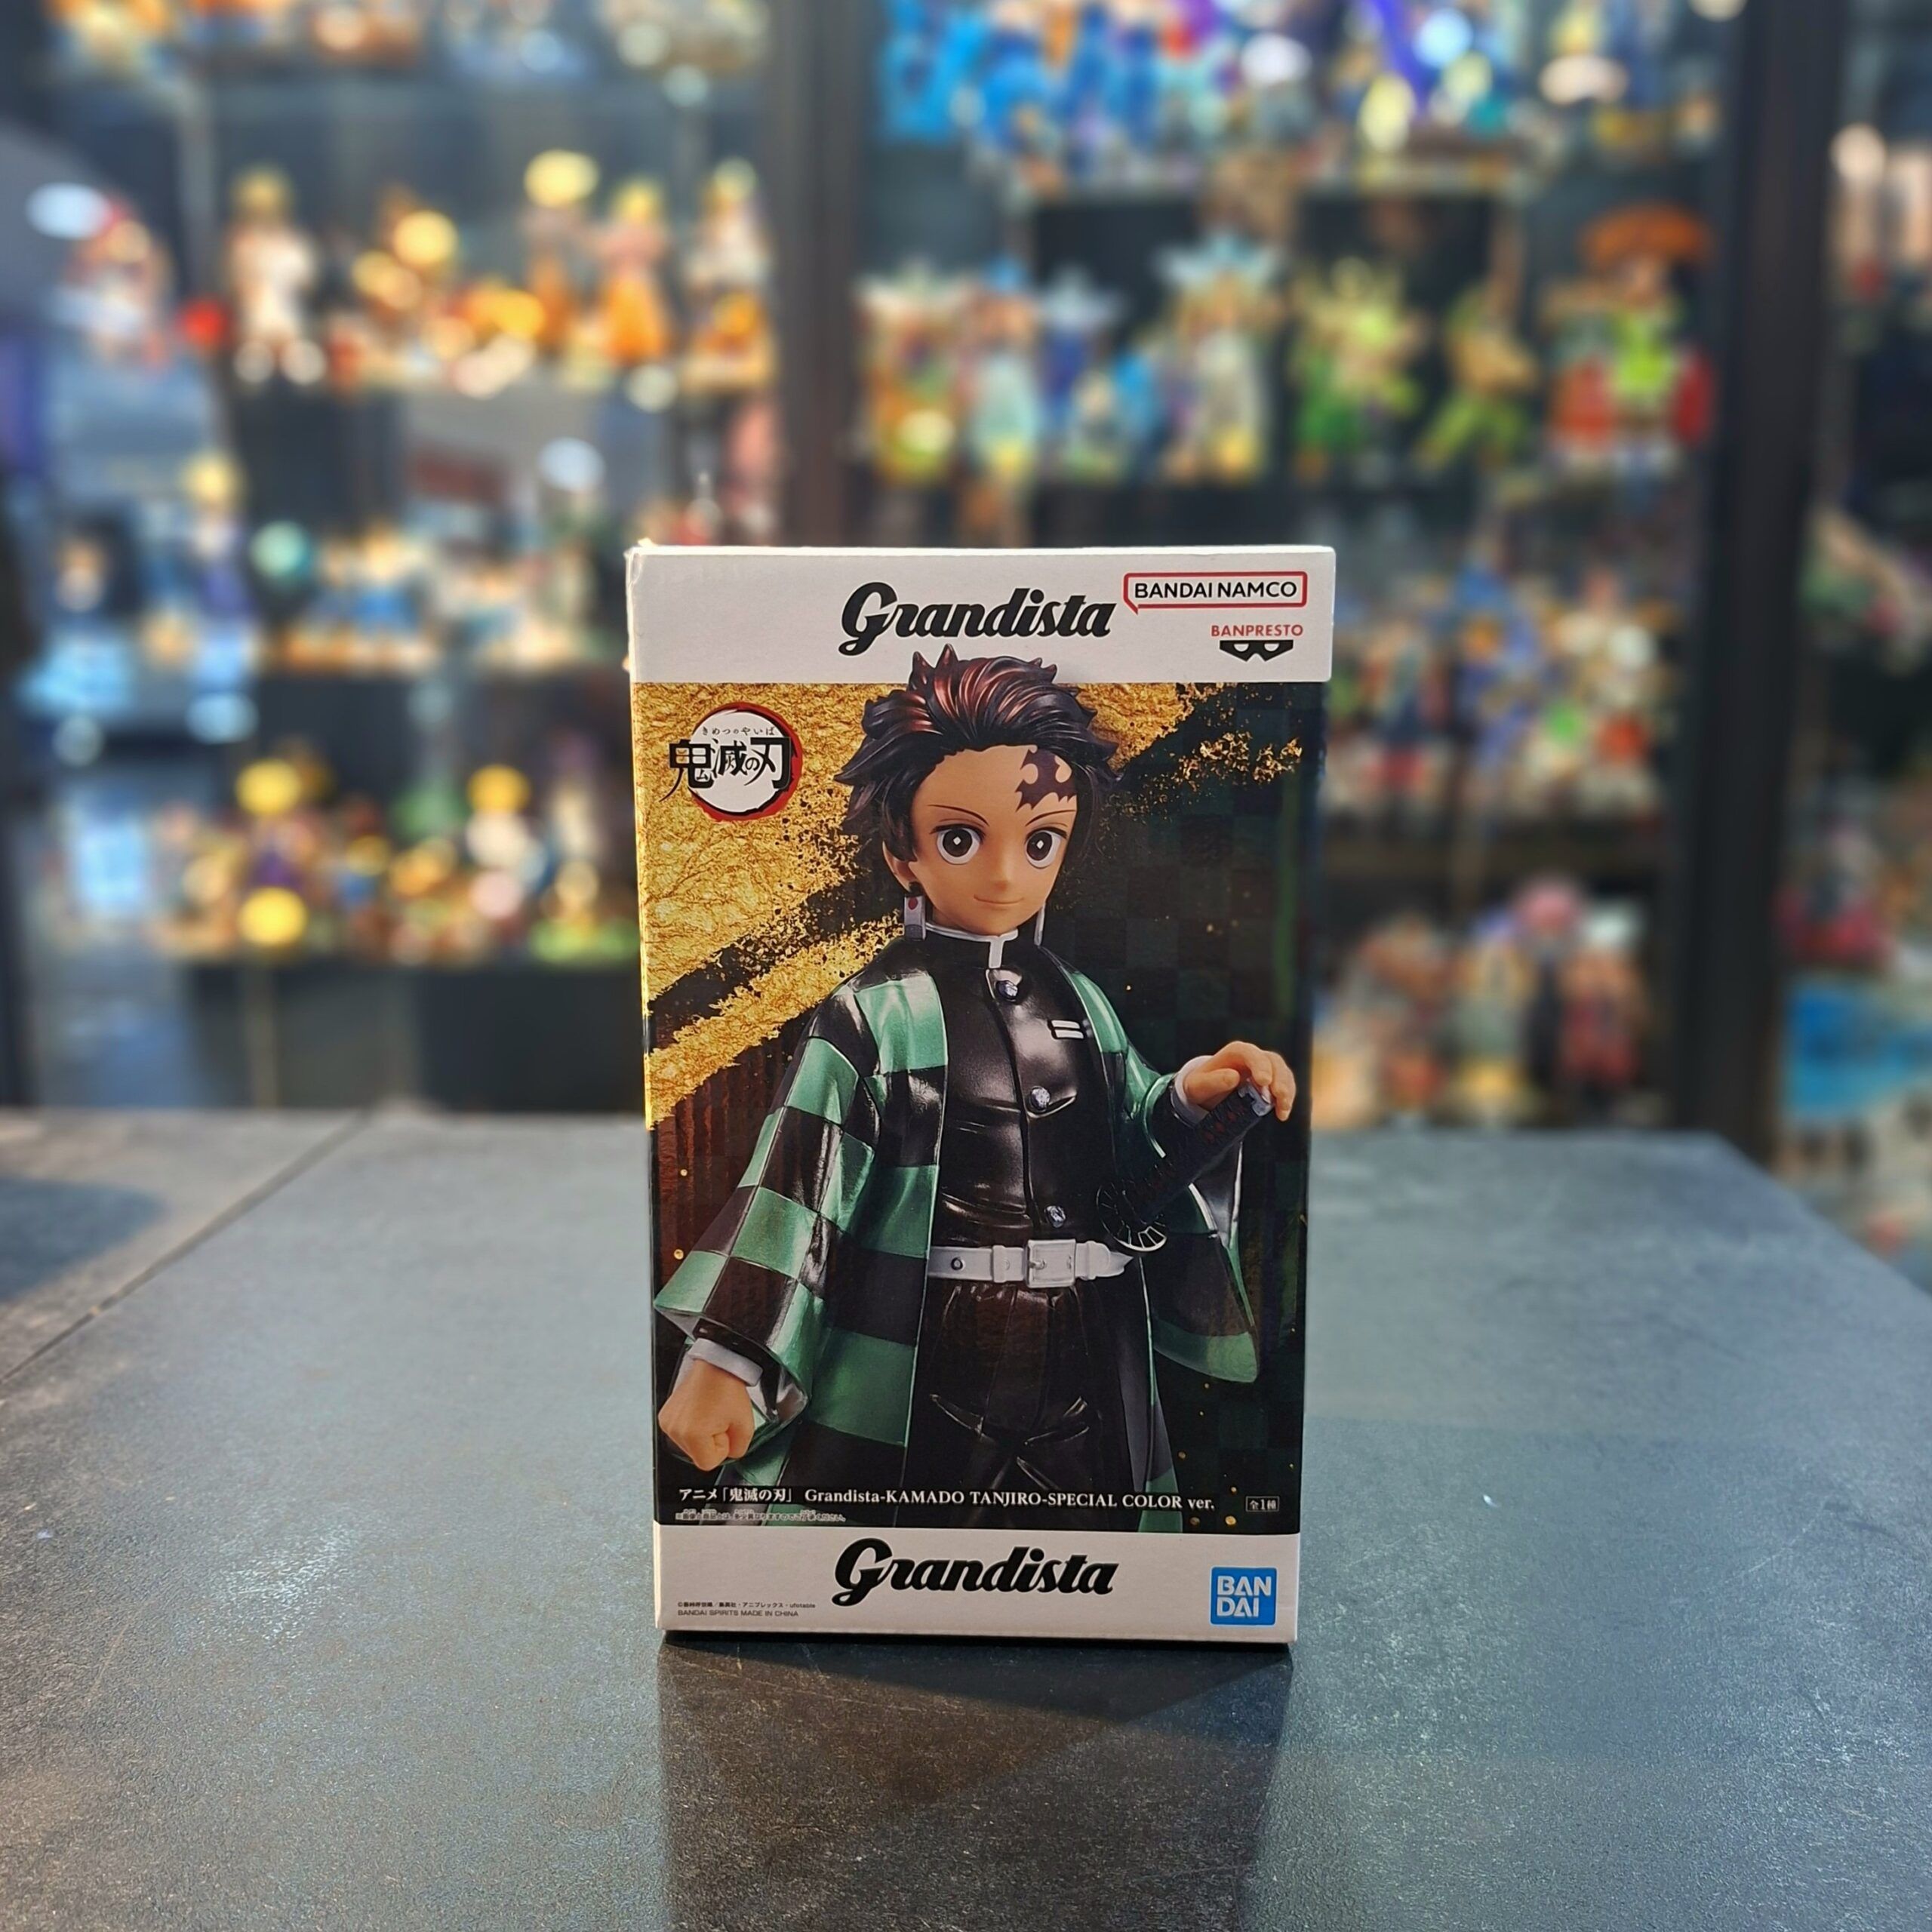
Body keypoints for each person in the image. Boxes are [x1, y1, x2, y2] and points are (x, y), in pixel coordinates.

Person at [655, 646, 1294, 1531]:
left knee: (1102, 1531)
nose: (1003, 875)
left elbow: (1127, 1133)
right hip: (933, 1346)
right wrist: (726, 1358)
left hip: (1089, 1341)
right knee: (898, 1520)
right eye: (960, 838)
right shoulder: (877, 1012)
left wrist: (1189, 1099)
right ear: (903, 854)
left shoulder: (1080, 1001)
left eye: (1040, 842)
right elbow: (798, 1185)